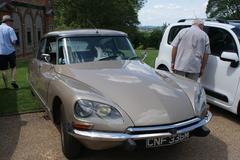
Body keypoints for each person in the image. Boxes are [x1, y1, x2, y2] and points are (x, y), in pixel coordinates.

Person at [0, 15, 18, 89]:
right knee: (13, 67)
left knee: (4, 69)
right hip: (10, 51)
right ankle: (13, 80)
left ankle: (6, 85)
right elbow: (13, 41)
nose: (11, 23)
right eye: (11, 21)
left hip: (1, 52)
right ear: (7, 21)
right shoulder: (10, 29)